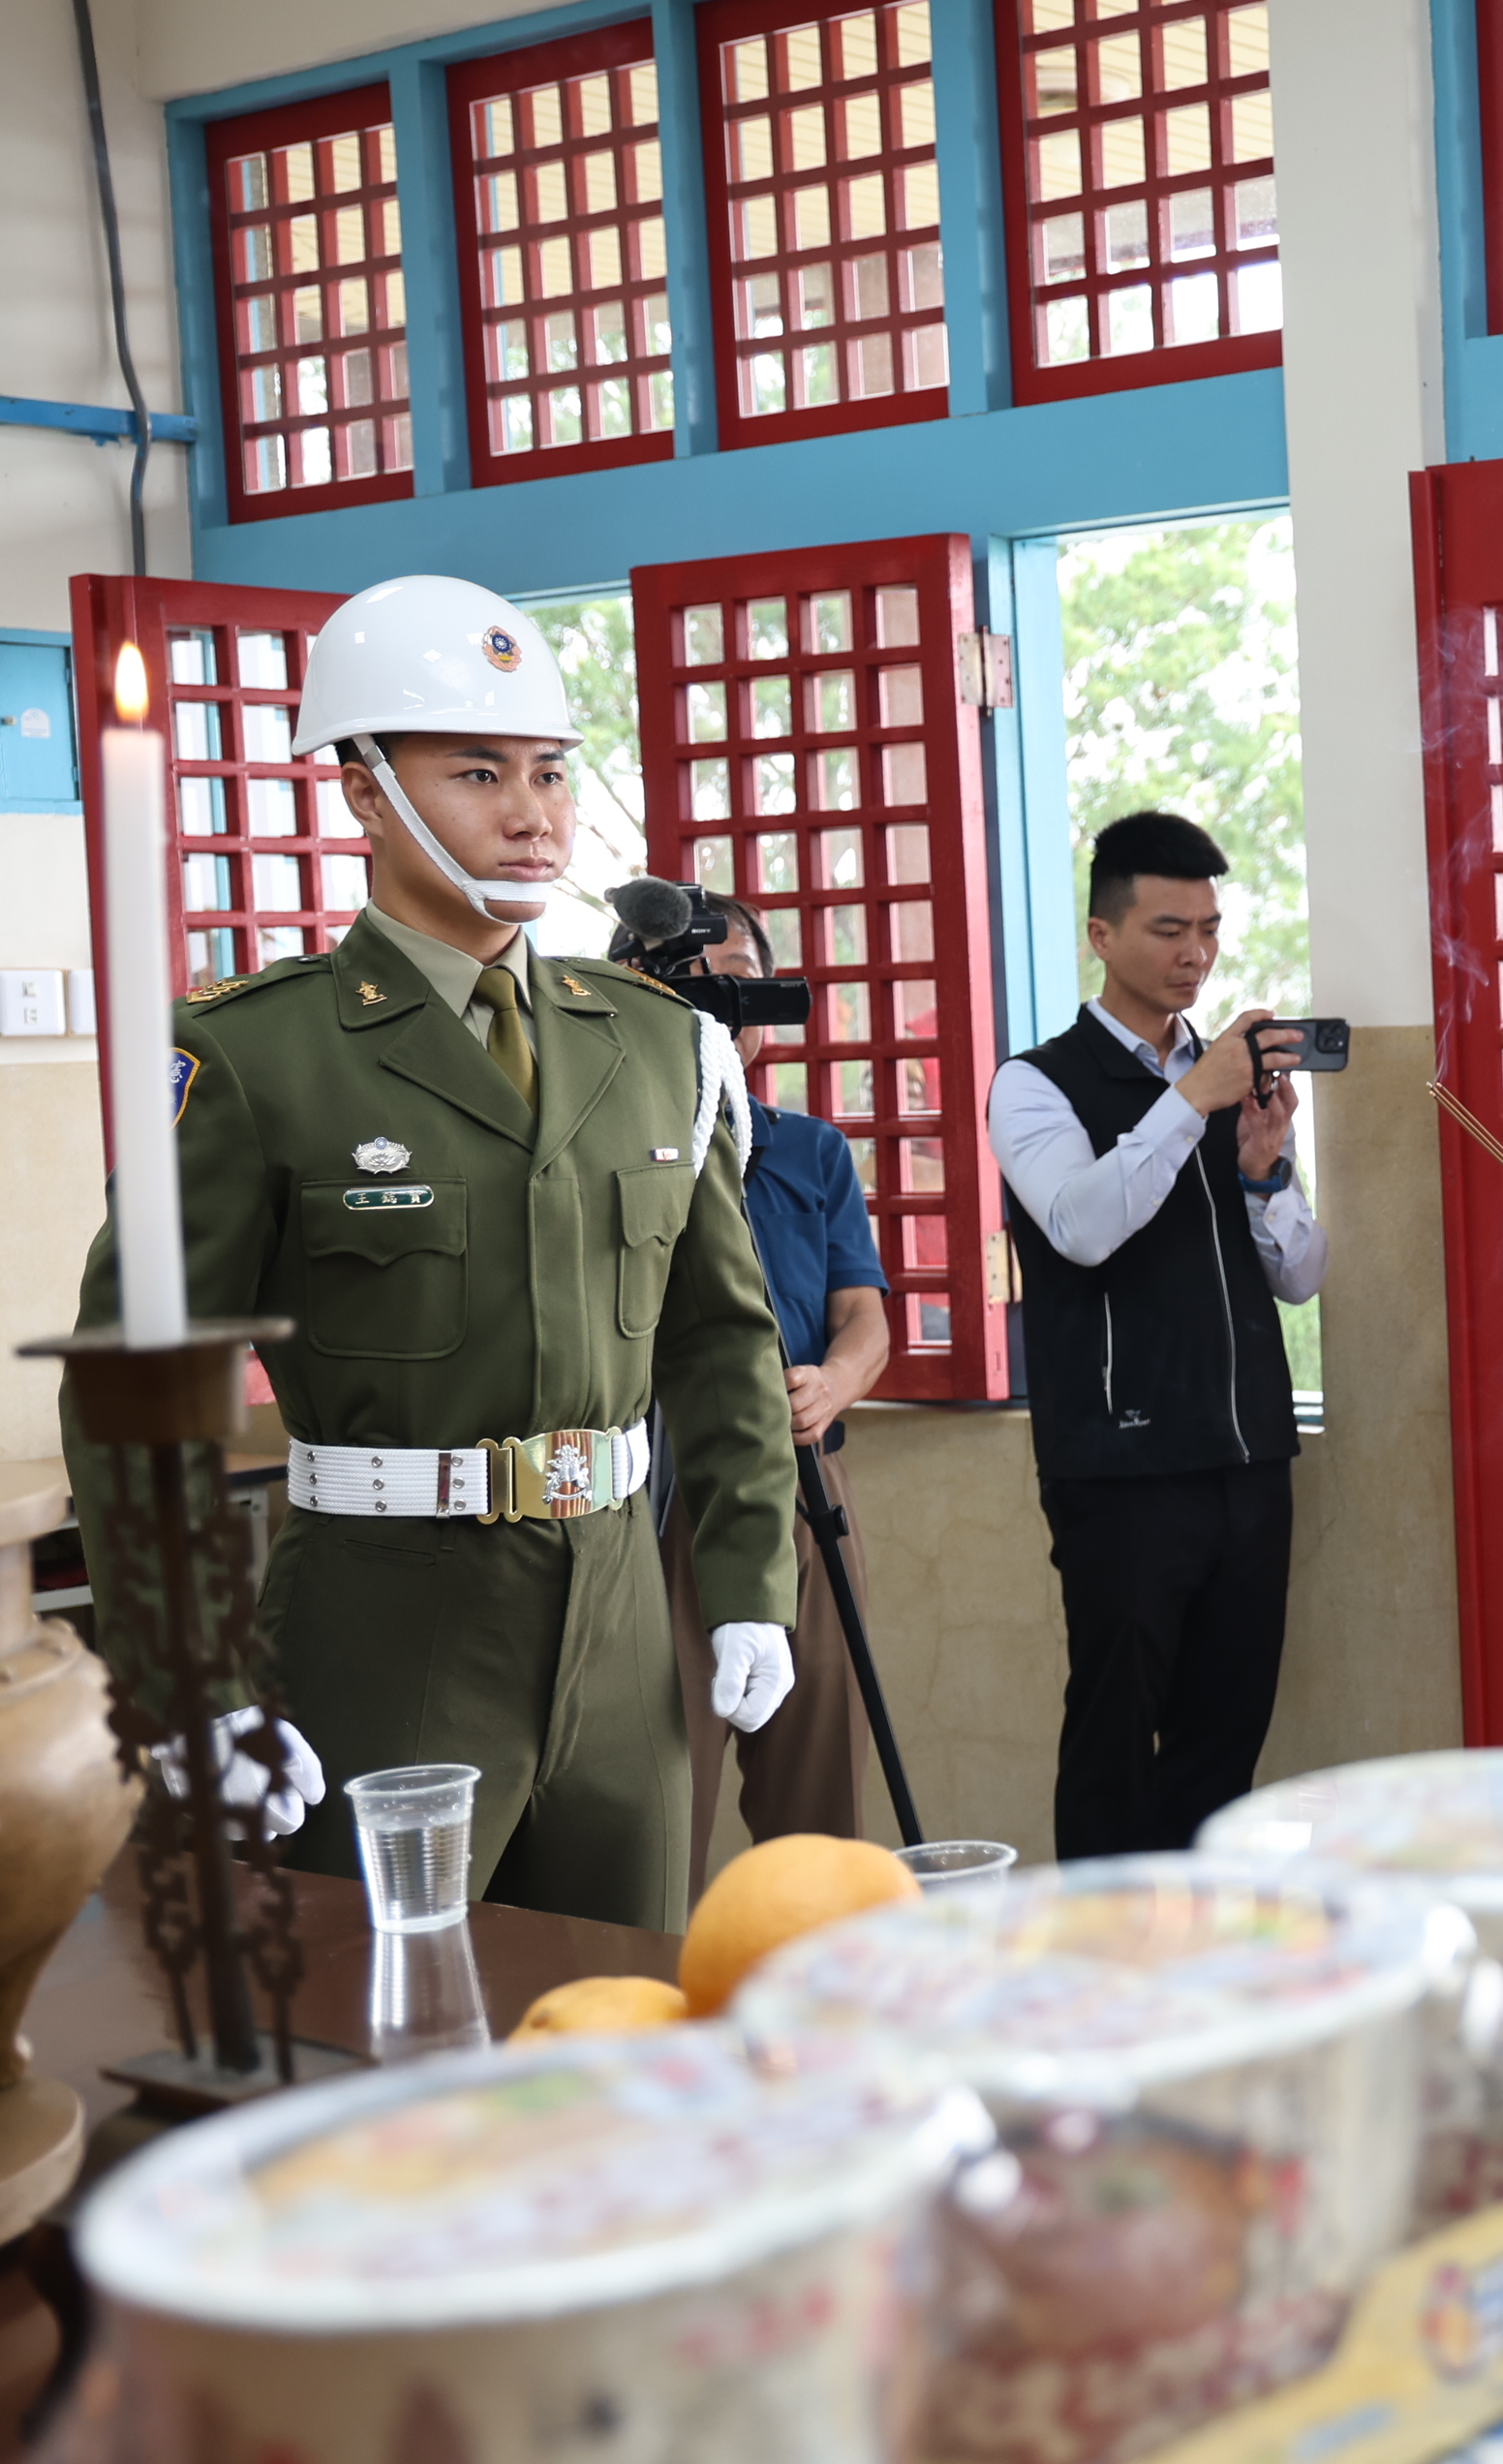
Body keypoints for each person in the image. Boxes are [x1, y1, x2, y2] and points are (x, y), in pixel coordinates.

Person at [59, 574, 797, 1932]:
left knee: (617, 2028)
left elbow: (719, 1338)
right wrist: (189, 1681)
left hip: (623, 1617)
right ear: (364, 789)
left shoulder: (651, 1042)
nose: (533, 815)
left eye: (550, 772)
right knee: (389, 2051)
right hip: (387, 1622)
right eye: (476, 772)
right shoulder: (253, 1052)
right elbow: (132, 1388)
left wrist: (750, 1578)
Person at [988, 810, 1326, 1859]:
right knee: (1112, 1745)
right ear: (1101, 935)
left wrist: (1265, 1167)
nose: (1195, 955)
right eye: (1168, 928)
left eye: (1211, 930)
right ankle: (1100, 1977)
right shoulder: (1036, 1083)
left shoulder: (1229, 1080)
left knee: (1224, 1745)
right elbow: (1083, 1228)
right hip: (1122, 1470)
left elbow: (1302, 1277)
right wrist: (1191, 1102)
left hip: (1246, 1461)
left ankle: (1202, 1964)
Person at [629, 898, 891, 1903]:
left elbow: (865, 1316)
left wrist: (834, 1382)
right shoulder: (616, 1147)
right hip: (661, 1488)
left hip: (804, 1488)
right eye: (691, 978)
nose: (720, 1000)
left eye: (739, 977)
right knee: (667, 1795)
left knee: (817, 1798)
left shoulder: (809, 1149)